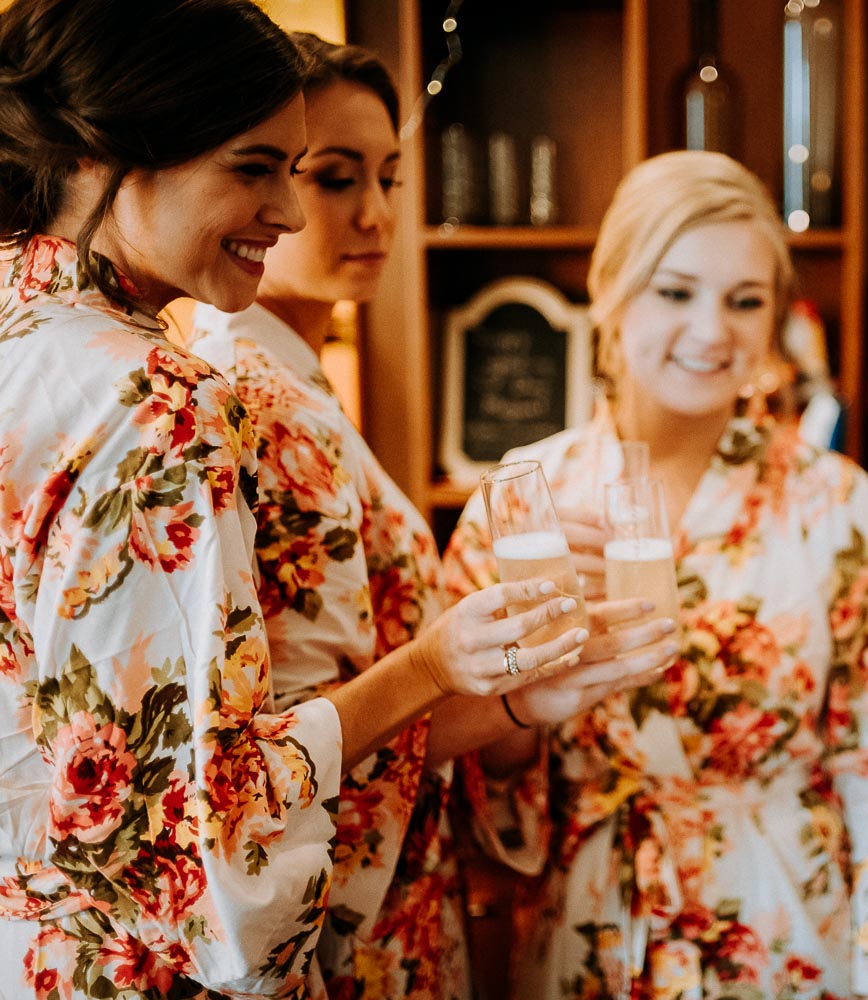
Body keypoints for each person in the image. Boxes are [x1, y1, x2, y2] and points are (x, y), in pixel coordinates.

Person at [0, 3, 587, 995]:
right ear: (111, 153)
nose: (296, 213)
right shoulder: (154, 397)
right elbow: (202, 817)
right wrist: (434, 666)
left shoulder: (26, 339)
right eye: (255, 166)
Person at [186, 33, 679, 998]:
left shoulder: (303, 380)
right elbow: (310, 722)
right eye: (331, 178)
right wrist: (496, 693)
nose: (374, 213)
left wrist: (512, 678)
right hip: (349, 897)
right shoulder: (259, 400)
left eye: (390, 176)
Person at [442, 150, 868, 1000]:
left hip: (784, 921)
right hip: (594, 925)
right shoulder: (525, 502)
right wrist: (535, 676)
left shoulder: (839, 503)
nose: (714, 331)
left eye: (745, 301)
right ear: (611, 291)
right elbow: (469, 758)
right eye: (676, 292)